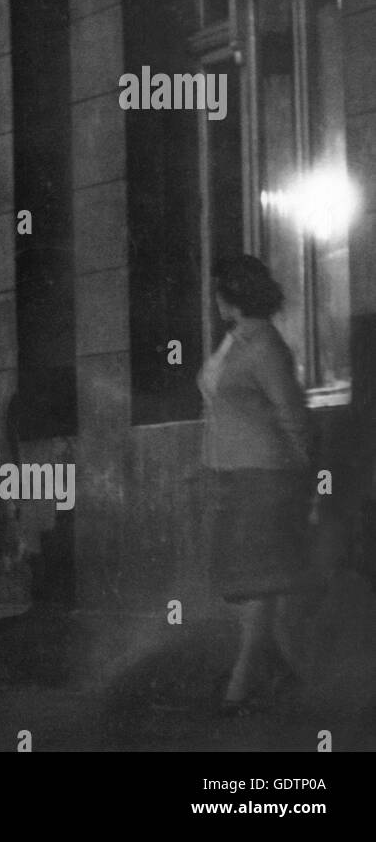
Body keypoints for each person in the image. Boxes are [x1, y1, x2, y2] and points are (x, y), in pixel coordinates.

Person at [199, 254, 311, 716]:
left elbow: (292, 414)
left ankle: (240, 689)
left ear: (233, 296)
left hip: (267, 476)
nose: (215, 299)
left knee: (259, 582)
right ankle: (282, 672)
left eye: (220, 291)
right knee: (242, 583)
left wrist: (306, 479)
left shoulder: (264, 344)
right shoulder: (234, 342)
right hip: (234, 475)